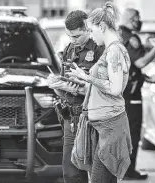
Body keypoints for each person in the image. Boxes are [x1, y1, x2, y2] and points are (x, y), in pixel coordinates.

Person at [67, 2, 132, 183]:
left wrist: (89, 78)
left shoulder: (114, 51)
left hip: (111, 126)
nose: (91, 35)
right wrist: (81, 78)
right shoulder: (112, 51)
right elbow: (103, 87)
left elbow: (115, 88)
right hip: (103, 126)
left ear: (102, 27)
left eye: (92, 30)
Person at [47, 10, 104, 183]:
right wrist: (58, 86)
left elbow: (107, 89)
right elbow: (65, 84)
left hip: (92, 118)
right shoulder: (69, 49)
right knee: (71, 173)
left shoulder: (100, 49)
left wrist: (81, 90)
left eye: (77, 36)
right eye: (69, 36)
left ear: (87, 28)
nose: (73, 40)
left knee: (99, 173)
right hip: (71, 119)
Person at [118, 8, 155, 180]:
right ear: (130, 19)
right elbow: (141, 62)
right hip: (131, 94)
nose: (139, 20)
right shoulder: (132, 38)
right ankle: (129, 171)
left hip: (119, 91)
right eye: (137, 17)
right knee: (133, 132)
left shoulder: (117, 35)